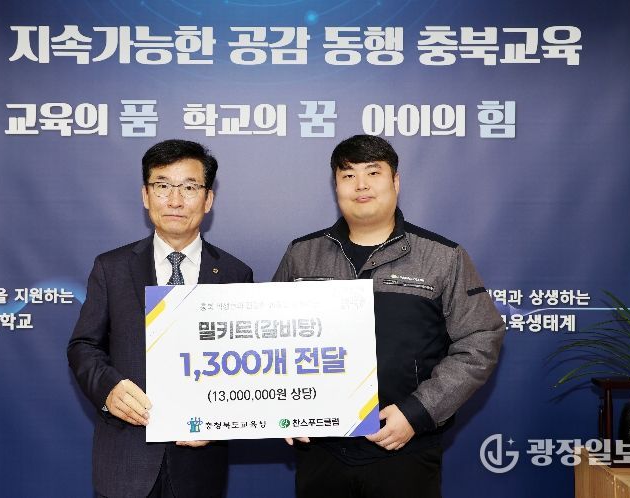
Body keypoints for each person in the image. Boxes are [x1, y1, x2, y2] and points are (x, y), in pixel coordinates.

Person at [273, 135, 504, 498]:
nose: (361, 185)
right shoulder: (302, 255)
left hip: (405, 448)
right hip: (321, 451)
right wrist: (285, 407)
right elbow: (273, 340)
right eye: (348, 175)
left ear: (395, 181)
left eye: (373, 172)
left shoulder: (443, 257)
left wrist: (418, 411)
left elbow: (480, 339)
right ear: (336, 186)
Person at [67, 139, 253, 498]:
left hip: (199, 468)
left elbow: (247, 365)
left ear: (208, 199)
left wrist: (221, 420)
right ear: (145, 195)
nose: (175, 200)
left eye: (189, 187)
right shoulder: (112, 267)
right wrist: (109, 389)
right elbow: (83, 346)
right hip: (126, 461)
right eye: (163, 186)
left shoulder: (235, 274)